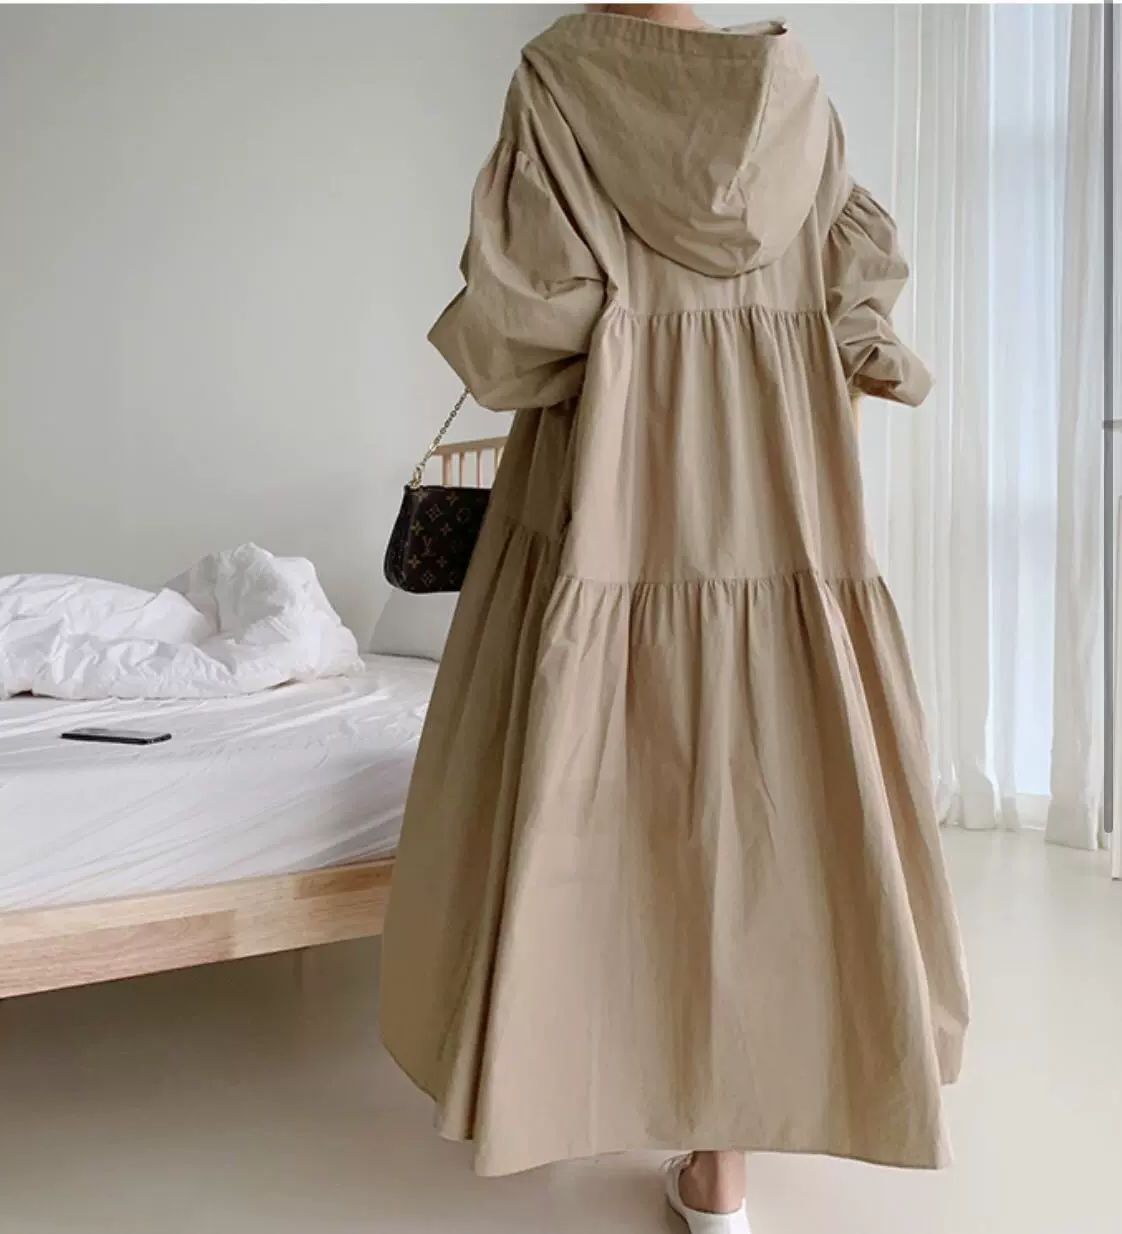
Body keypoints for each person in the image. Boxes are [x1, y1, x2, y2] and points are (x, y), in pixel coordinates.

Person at [380, 8, 970, 1233]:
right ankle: (724, 1168)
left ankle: (573, 1084)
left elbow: (526, 332)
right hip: (781, 496)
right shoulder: (796, 94)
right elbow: (852, 314)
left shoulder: (559, 80)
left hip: (612, 496)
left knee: (597, 788)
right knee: (771, 803)